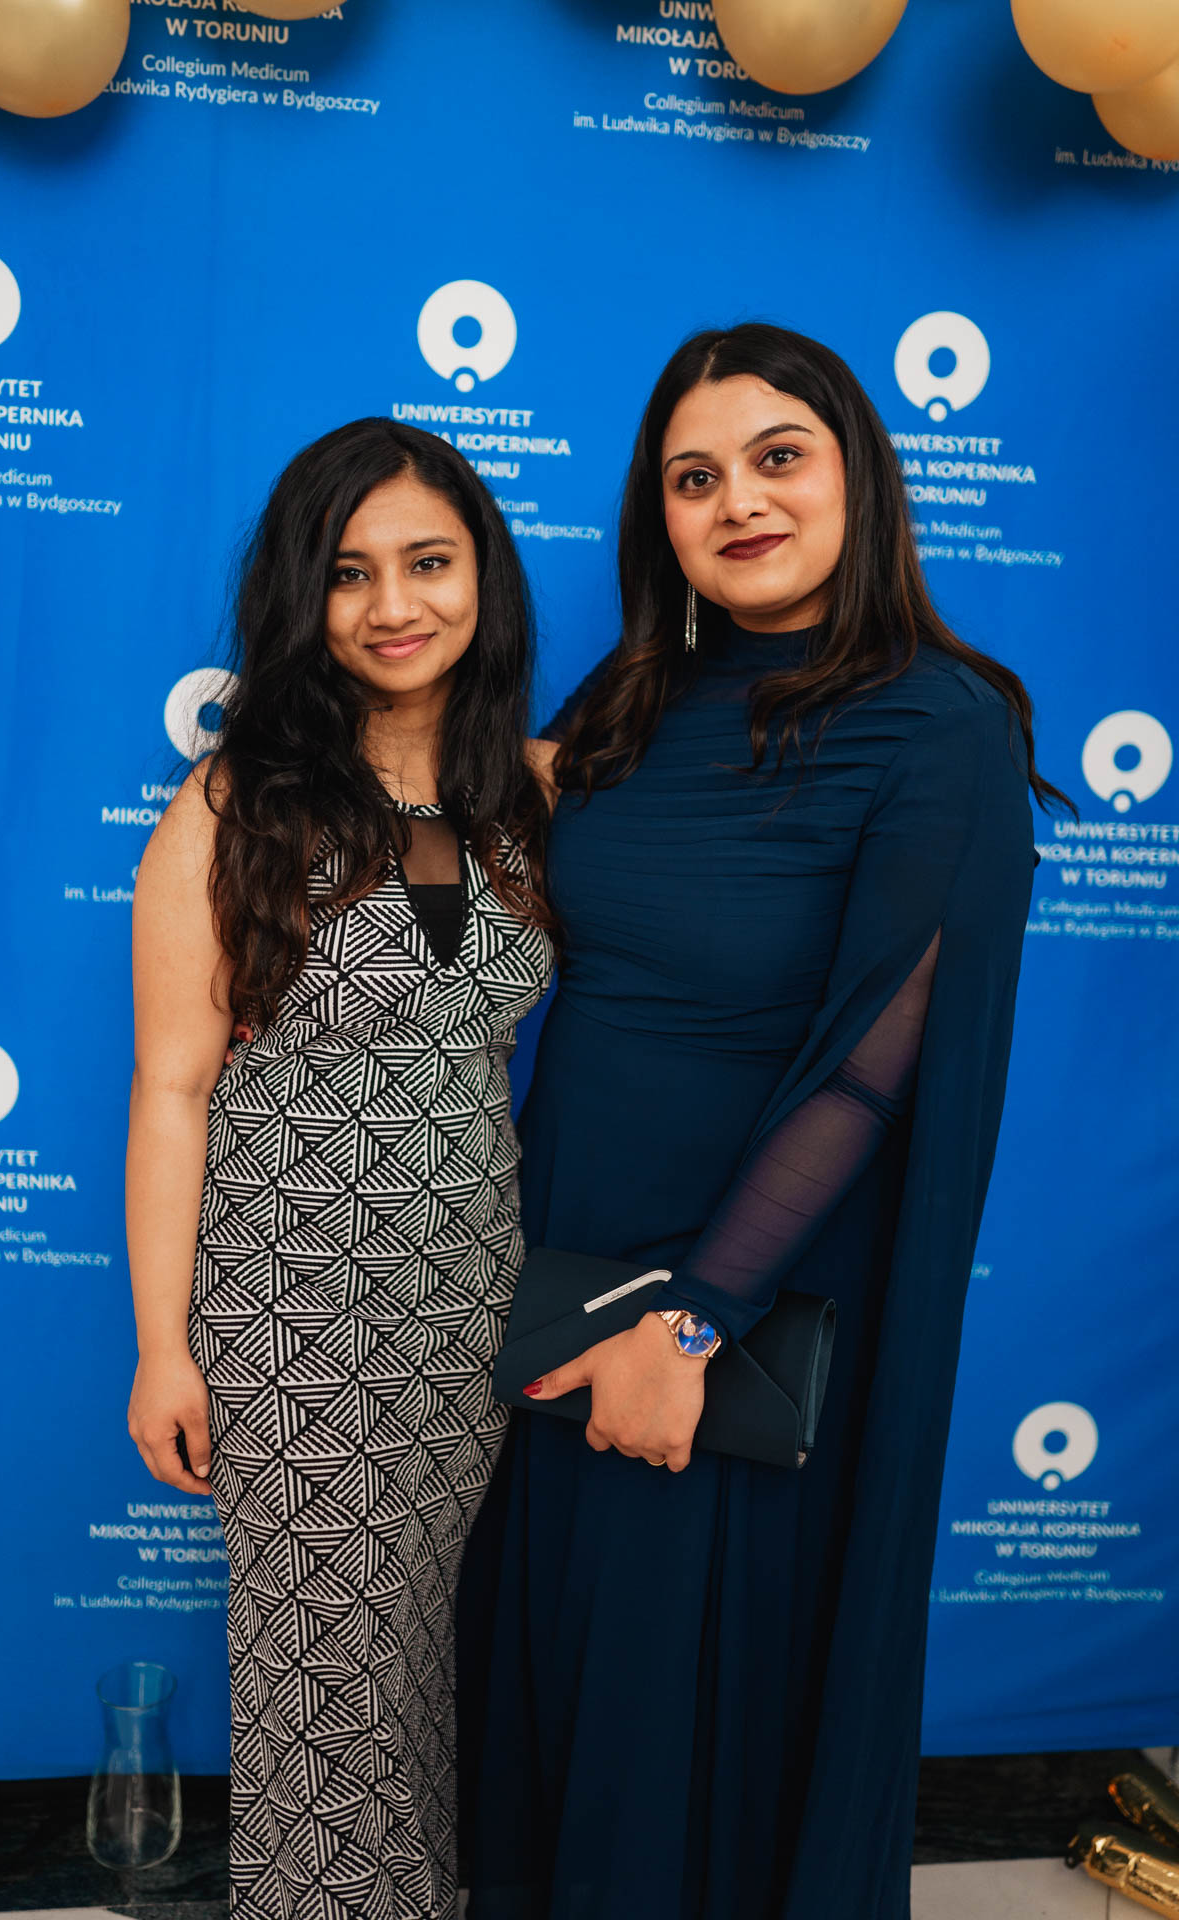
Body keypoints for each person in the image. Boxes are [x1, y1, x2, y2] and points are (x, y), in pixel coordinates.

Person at [457, 325, 1063, 1920]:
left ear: (860, 472)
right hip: (564, 1276)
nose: (738, 502)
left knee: (689, 1731)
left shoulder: (942, 725)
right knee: (569, 1701)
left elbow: (874, 1066)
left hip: (743, 1302)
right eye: (694, 477)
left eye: (778, 458)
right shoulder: (630, 702)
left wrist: (695, 1323)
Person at [124, 419, 554, 1920]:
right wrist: (162, 1350)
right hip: (297, 1316)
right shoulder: (234, 804)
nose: (393, 605)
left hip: (471, 1319)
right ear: (302, 598)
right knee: (323, 1697)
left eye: (428, 562)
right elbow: (172, 1089)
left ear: (483, 577)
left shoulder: (529, 800)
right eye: (351, 573)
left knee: (412, 1674)